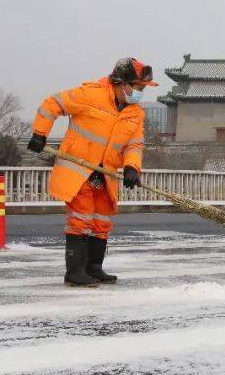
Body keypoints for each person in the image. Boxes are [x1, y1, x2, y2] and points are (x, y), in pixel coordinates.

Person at [26, 58, 157, 287]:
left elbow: (134, 145)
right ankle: (75, 271)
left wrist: (131, 167)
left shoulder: (135, 113)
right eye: (137, 87)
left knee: (102, 220)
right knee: (82, 218)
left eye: (142, 88)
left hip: (105, 174)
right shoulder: (91, 95)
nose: (139, 93)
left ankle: (94, 267)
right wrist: (39, 134)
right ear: (121, 83)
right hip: (78, 169)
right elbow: (52, 104)